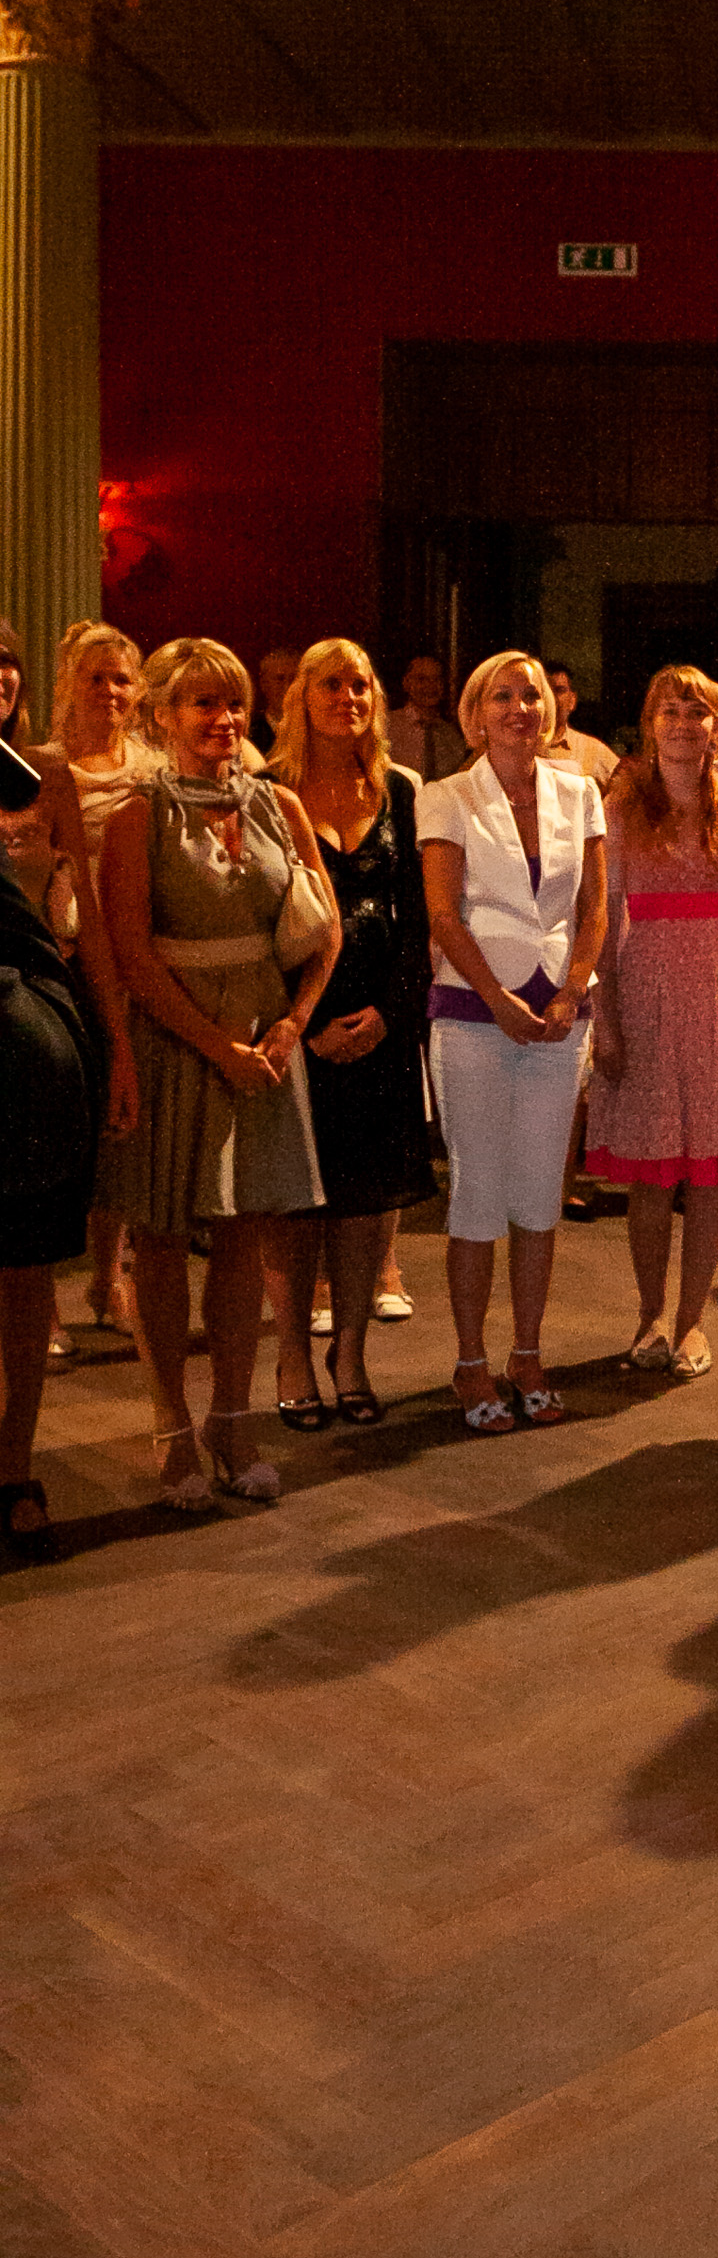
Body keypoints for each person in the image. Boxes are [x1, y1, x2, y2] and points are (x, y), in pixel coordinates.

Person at [100, 640, 337, 1509]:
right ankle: (172, 1431)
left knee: (245, 1240)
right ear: (163, 714)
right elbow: (131, 953)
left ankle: (232, 1424)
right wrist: (212, 1044)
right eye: (203, 703)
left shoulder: (279, 804)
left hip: (264, 1048)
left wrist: (293, 1024)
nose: (224, 719)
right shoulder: (138, 816)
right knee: (163, 1240)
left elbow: (325, 930)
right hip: (177, 1043)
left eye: (234, 703)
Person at [417, 654, 607, 1433]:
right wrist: (496, 1000)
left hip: (560, 1017)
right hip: (473, 1014)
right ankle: (470, 1362)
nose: (520, 707)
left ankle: (527, 1355)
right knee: (477, 1193)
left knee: (537, 1196)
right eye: (502, 695)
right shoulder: (447, 795)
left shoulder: (580, 790)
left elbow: (595, 909)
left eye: (531, 694)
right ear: (475, 714)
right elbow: (443, 913)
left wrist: (572, 990)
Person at [263, 643, 435, 1428]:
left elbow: (419, 919)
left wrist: (391, 1015)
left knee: (367, 1201)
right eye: (330, 684)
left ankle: (352, 1354)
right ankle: (292, 1356)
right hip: (293, 1020)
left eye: (359, 683)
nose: (347, 697)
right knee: (296, 1201)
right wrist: (300, 1025)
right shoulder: (267, 789)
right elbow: (254, 918)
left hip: (380, 1021)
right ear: (302, 696)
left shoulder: (400, 789)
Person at [587, 668, 718, 1377]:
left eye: (697, 712)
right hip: (643, 990)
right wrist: (604, 1016)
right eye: (669, 711)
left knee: (710, 1174)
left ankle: (693, 1318)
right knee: (650, 1172)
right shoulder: (621, 806)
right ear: (649, 723)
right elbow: (600, 922)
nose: (683, 724)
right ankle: (650, 1315)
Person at [45, 619, 153, 1346]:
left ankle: (109, 1275)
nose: (109, 691)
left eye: (121, 678)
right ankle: (42, 1299)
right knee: (66, 1129)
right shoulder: (43, 766)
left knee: (124, 1129)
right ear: (68, 685)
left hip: (137, 957)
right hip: (66, 958)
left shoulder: (152, 767)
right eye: (95, 677)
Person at [0, 848, 107, 1559]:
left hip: (19, 1070)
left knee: (25, 1265)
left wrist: (111, 1052)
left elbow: (60, 946)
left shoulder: (36, 807)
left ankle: (14, 1467)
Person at [386, 652, 465, 783]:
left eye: (436, 679)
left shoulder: (451, 736)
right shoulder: (388, 727)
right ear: (406, 683)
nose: (430, 686)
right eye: (421, 679)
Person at [544, 661, 620, 787]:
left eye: (559, 690)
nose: (551, 698)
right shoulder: (517, 748)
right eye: (544, 691)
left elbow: (628, 789)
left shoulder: (593, 750)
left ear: (572, 701)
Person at [250, 646, 302, 759]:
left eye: (293, 679)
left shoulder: (314, 732)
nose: (287, 687)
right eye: (280, 679)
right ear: (264, 684)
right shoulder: (250, 734)